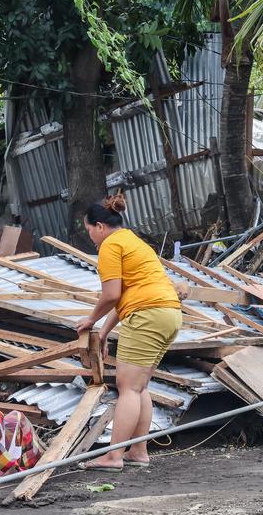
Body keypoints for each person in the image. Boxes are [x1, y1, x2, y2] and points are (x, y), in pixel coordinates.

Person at [76, 195, 182, 472]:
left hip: (147, 315)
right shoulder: (133, 241)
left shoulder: (110, 245)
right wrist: (102, 331)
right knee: (140, 386)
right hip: (168, 313)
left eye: (89, 231)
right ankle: (138, 451)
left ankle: (113, 456)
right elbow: (125, 296)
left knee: (128, 388)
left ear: (99, 226)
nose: (91, 238)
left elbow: (111, 295)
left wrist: (90, 318)